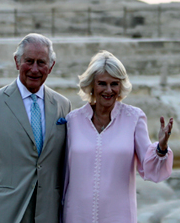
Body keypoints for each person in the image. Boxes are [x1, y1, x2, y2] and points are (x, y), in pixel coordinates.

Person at [0, 33, 72, 223]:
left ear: (51, 66)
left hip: (48, 213)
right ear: (17, 62)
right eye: (29, 61)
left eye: (41, 62)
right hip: (1, 212)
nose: (35, 69)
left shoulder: (63, 106)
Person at [61, 50, 173, 223]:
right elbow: (63, 174)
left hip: (119, 216)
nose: (108, 90)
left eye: (114, 84)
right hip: (76, 215)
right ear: (92, 85)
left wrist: (161, 148)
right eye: (102, 83)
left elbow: (149, 168)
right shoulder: (72, 120)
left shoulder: (134, 118)